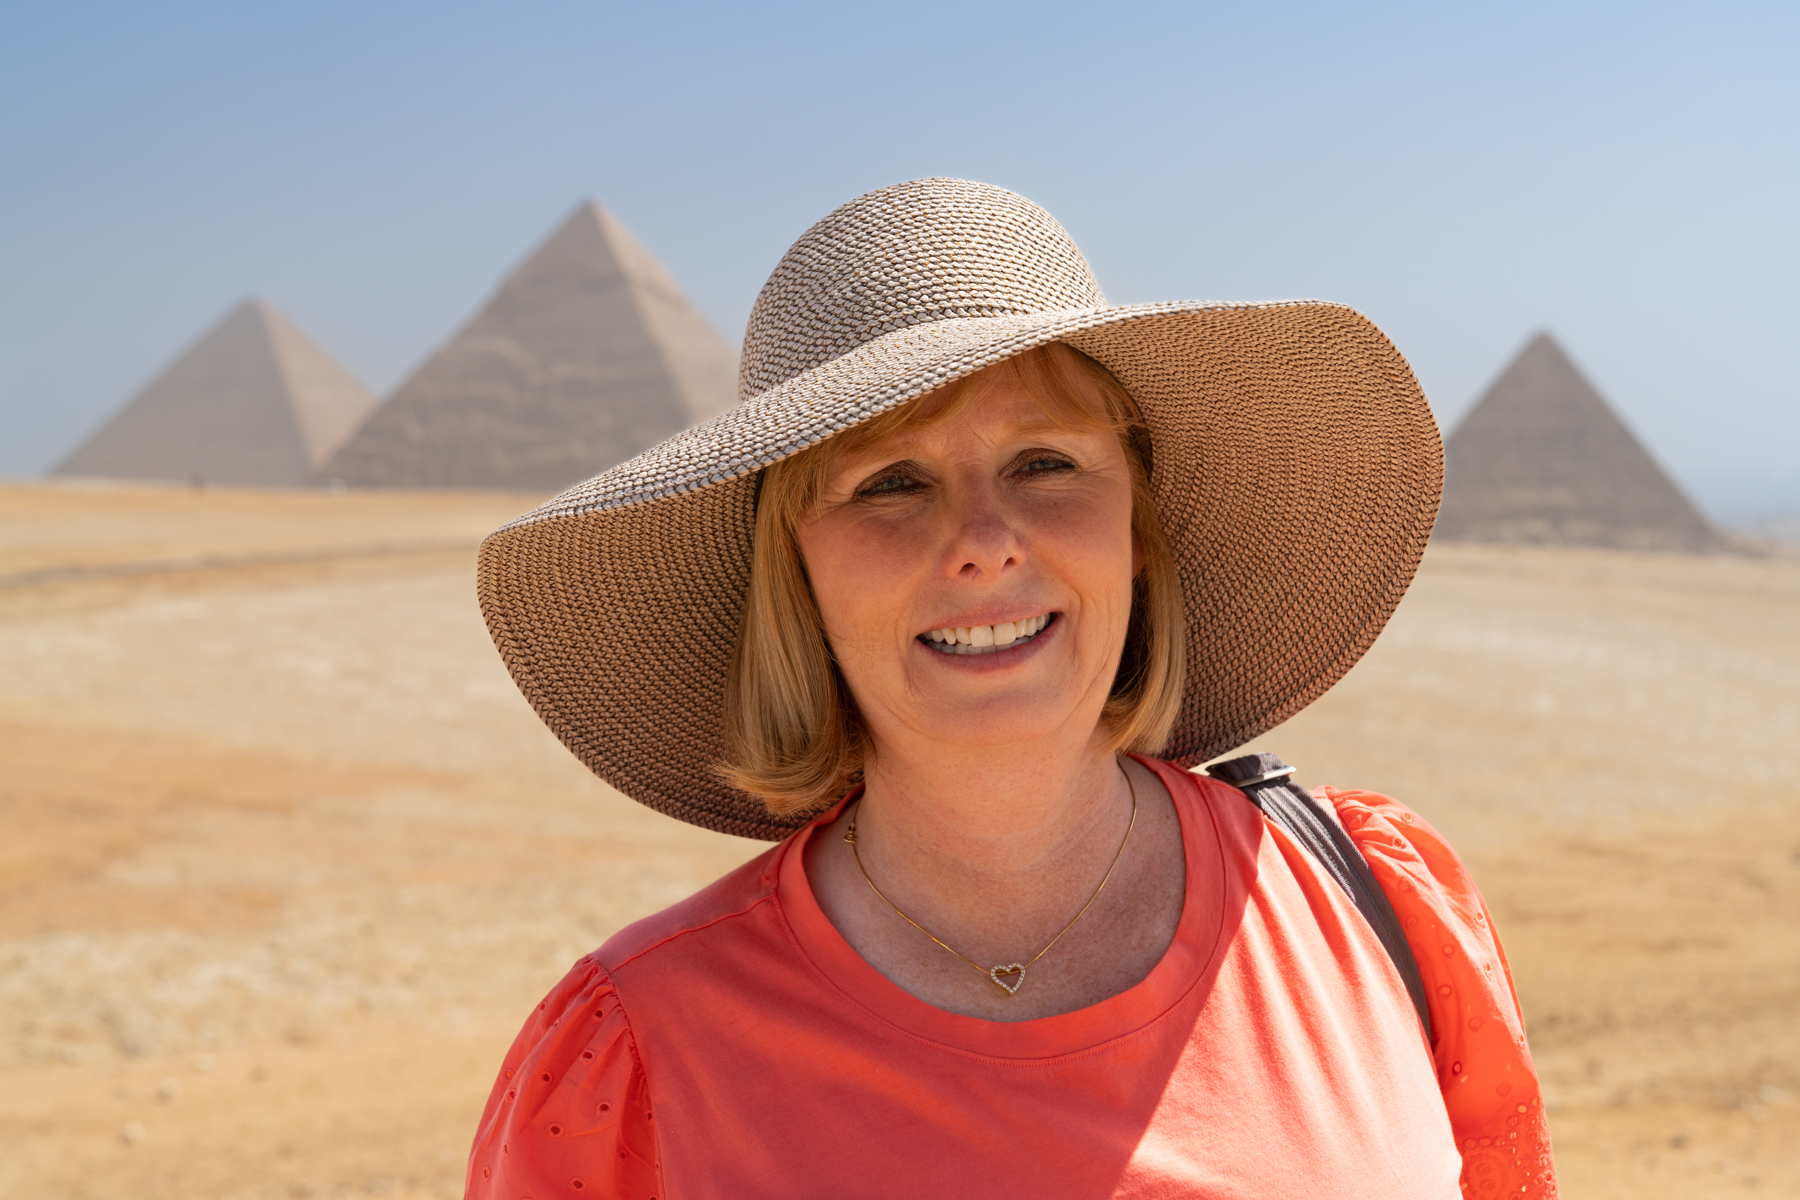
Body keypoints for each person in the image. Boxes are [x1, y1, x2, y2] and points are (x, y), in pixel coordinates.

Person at [467, 178, 1557, 1198]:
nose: (985, 544)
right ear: (793, 574)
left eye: (1046, 463)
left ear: (1139, 526)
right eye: (890, 483)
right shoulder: (638, 1053)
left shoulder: (1375, 909)